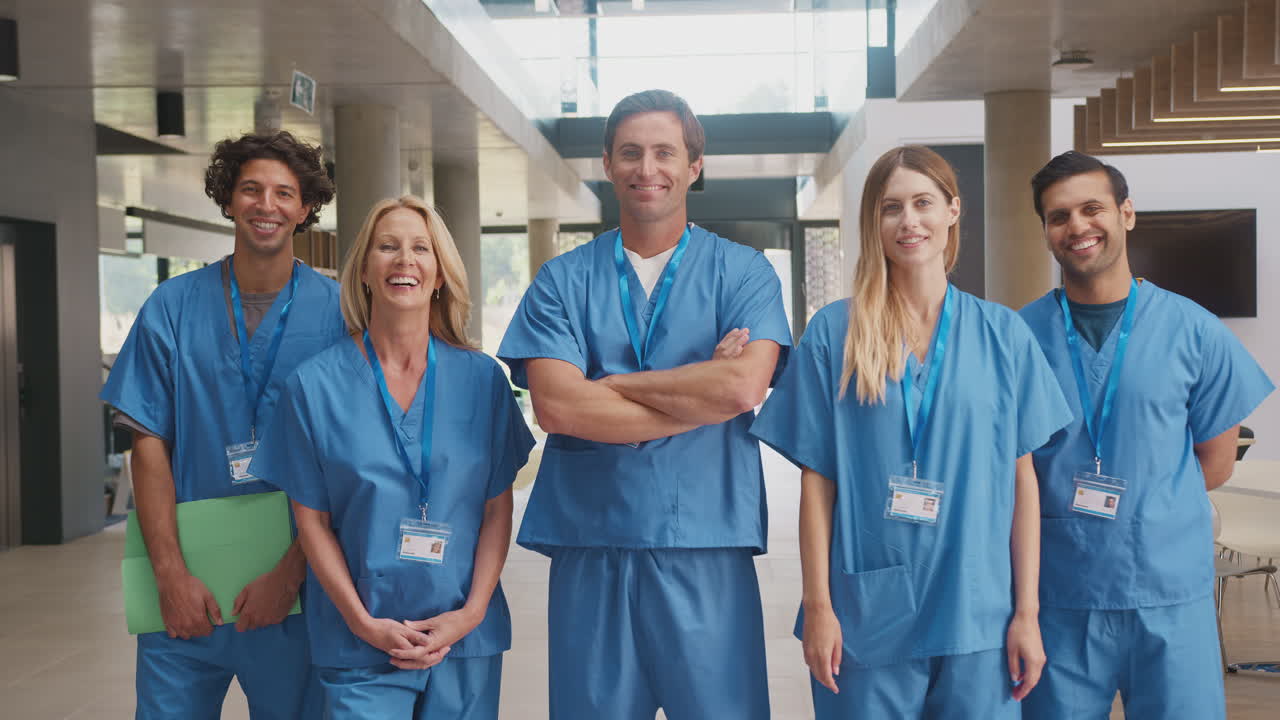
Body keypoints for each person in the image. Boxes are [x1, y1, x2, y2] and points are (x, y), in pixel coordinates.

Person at [498, 89, 791, 719]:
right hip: (592, 547)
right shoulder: (562, 281)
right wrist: (698, 384)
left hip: (705, 547)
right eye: (630, 152)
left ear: (695, 165)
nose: (647, 168)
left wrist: (612, 384)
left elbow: (741, 389)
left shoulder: (744, 274)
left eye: (665, 152)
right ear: (607, 163)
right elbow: (557, 408)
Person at [751, 145, 1072, 719]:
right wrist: (819, 605)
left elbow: (1024, 484)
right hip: (867, 615)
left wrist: (1026, 612)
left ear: (953, 210)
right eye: (890, 207)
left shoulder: (1004, 335)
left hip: (979, 613)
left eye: (923, 203)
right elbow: (817, 485)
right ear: (873, 222)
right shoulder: (835, 333)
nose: (909, 221)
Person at [250, 196, 533, 719]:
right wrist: (360, 621)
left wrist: (470, 614)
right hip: (360, 638)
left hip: (463, 639)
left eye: (420, 248)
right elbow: (311, 522)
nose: (405, 260)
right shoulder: (313, 388)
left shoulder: (483, 382)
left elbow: (497, 510)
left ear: (440, 273)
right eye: (388, 246)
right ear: (363, 271)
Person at [1019, 151, 1274, 719]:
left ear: (1126, 213)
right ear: (1046, 232)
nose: (1077, 226)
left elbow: (1217, 460)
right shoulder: (1017, 337)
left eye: (1092, 208)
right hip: (1056, 594)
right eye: (1059, 216)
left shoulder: (1194, 330)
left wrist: (1148, 514)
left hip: (1167, 591)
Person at [100, 131, 343, 718]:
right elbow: (149, 443)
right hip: (187, 588)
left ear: (305, 208)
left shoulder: (341, 314)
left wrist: (291, 575)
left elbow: (350, 459)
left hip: (297, 590)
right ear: (229, 199)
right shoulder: (173, 305)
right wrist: (170, 576)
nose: (267, 205)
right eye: (251, 189)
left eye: (284, 193)